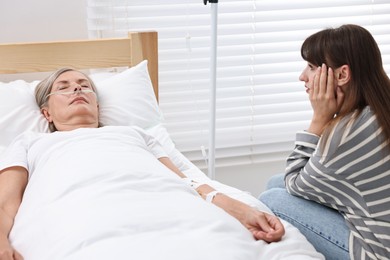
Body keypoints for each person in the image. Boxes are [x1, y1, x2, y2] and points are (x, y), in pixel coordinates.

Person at [0, 68, 285, 259]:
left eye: (84, 86)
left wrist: (238, 208)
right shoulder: (30, 142)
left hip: (167, 206)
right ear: (46, 113)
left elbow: (188, 182)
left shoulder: (134, 133)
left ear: (98, 106)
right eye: (64, 87)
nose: (77, 89)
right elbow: (6, 203)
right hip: (81, 214)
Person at [259, 24, 390, 260]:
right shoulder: (378, 109)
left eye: (310, 67)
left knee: (272, 199)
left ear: (341, 75)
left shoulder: (348, 133)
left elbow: (295, 184)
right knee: (273, 181)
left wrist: (318, 120)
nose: (302, 76)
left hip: (378, 252)